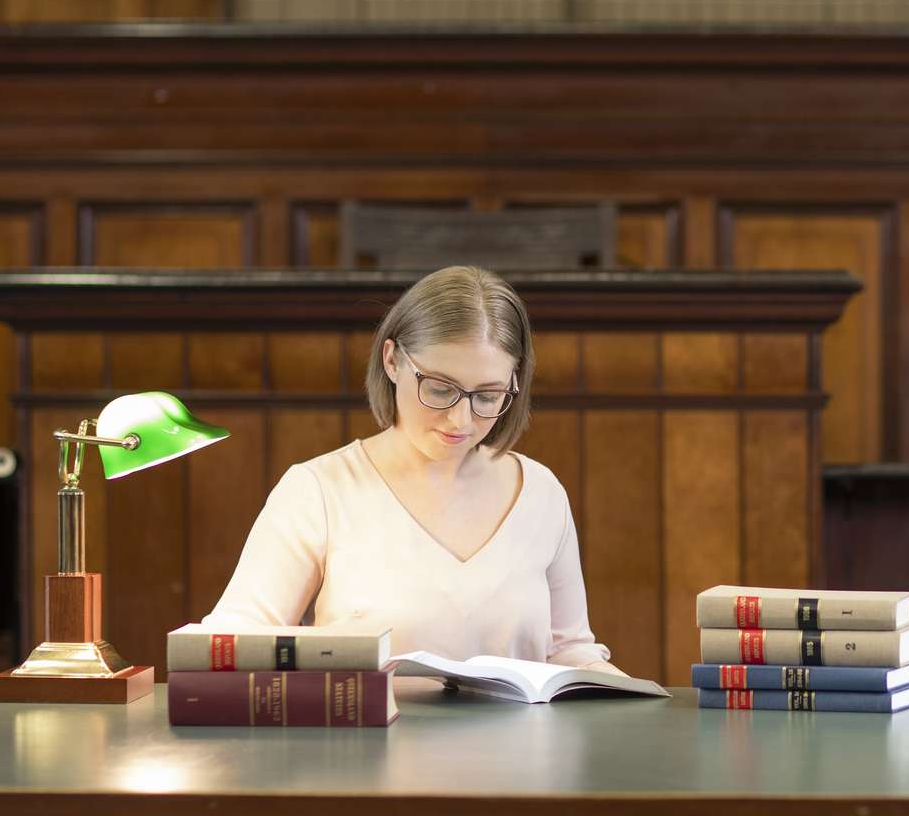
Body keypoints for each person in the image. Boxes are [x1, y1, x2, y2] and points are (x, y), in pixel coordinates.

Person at [202, 264, 622, 675]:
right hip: (368, 741)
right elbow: (231, 642)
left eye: (488, 396)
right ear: (392, 361)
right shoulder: (319, 491)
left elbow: (571, 651)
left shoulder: (540, 492)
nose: (461, 420)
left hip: (525, 744)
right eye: (440, 389)